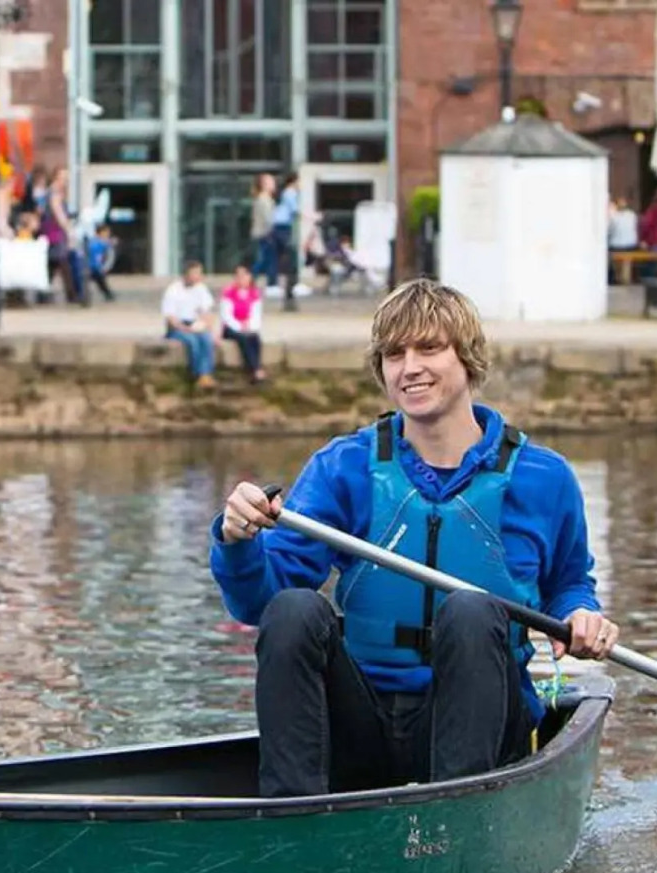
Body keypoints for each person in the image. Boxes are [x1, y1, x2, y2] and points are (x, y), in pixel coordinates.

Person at [209, 279, 619, 799]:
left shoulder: (543, 478)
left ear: (467, 359)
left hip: (483, 724)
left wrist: (582, 615)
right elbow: (257, 603)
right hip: (363, 725)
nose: (410, 368)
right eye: (394, 354)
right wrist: (236, 541)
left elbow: (569, 584)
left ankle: (459, 814)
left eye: (429, 348)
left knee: (471, 611)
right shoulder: (345, 467)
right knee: (293, 610)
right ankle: (294, 815)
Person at [162, 260, 218, 390]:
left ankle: (206, 374)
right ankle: (197, 374)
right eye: (195, 273)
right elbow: (170, 317)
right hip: (178, 326)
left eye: (200, 273)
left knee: (206, 339)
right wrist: (184, 328)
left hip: (195, 324)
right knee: (192, 341)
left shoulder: (201, 289)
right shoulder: (173, 290)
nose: (199, 276)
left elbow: (207, 312)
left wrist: (206, 325)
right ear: (186, 275)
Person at [220, 263, 266, 382]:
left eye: (244, 275)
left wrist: (249, 325)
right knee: (243, 338)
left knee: (255, 338)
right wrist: (240, 326)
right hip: (231, 327)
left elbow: (256, 314)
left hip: (248, 326)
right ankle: (255, 369)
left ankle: (255, 367)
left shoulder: (254, 293)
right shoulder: (228, 292)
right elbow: (226, 315)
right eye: (238, 275)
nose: (241, 278)